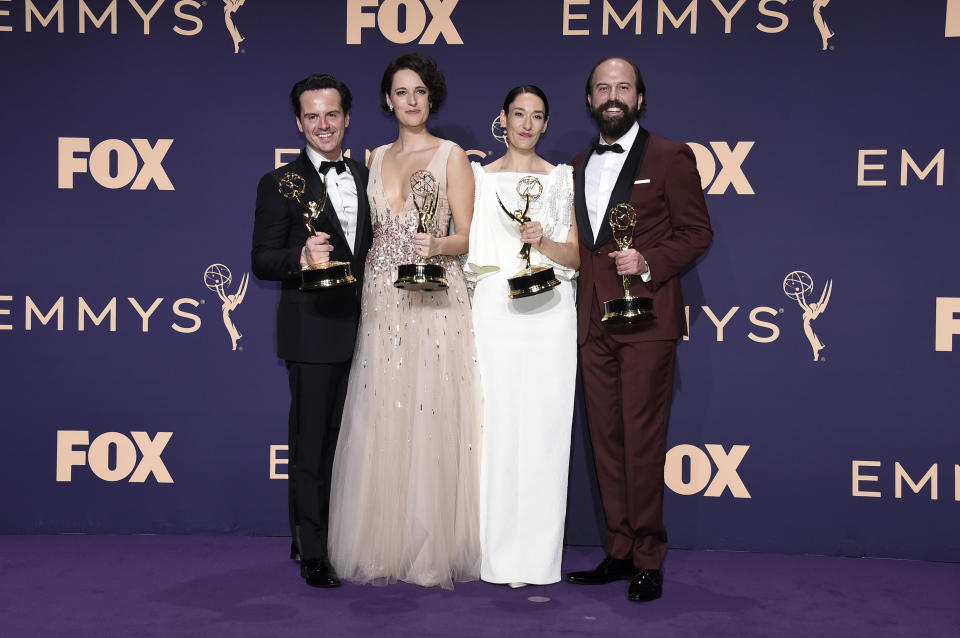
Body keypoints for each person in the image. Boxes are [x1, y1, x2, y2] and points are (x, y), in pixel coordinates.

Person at [327, 53, 481, 590]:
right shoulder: (373, 156)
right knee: (381, 411)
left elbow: (468, 235)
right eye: (400, 92)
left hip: (434, 292)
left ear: (430, 97)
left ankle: (426, 550)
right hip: (380, 296)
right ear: (387, 100)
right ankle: (379, 545)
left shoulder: (452, 156)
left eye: (419, 91)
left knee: (429, 410)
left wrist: (436, 245)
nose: (410, 101)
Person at [565, 57, 712, 602]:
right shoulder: (576, 164)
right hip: (592, 323)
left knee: (643, 442)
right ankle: (620, 550)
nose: (612, 95)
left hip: (646, 320)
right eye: (602, 87)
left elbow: (697, 232)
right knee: (606, 442)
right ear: (589, 100)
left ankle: (650, 556)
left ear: (640, 99)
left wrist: (647, 260)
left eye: (622, 87)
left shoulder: (673, 156)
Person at [251, 73, 371, 588]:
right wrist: (300, 258)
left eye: (332, 114)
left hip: (373, 331)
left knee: (359, 445)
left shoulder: (368, 176)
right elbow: (261, 259)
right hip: (314, 331)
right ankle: (313, 549)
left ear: (347, 117)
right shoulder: (279, 182)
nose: (323, 124)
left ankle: (352, 538)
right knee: (313, 445)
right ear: (299, 122)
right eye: (312, 116)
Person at [465, 85, 579, 587]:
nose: (527, 124)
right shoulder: (478, 178)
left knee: (546, 431)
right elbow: (467, 251)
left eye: (537, 116)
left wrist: (544, 241)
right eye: (519, 114)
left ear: (546, 124)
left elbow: (575, 257)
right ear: (503, 119)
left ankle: (536, 559)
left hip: (551, 311)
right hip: (493, 310)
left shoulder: (562, 180)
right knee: (495, 430)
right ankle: (494, 555)